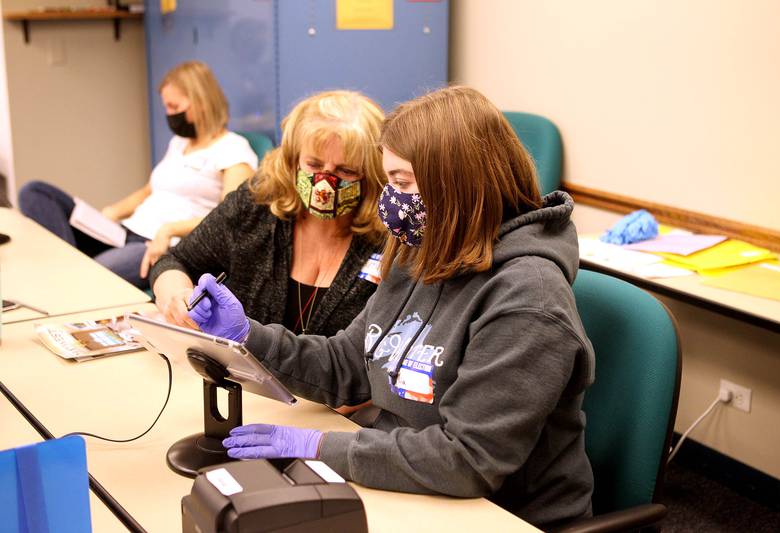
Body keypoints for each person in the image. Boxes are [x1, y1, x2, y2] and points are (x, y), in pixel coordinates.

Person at [186, 86, 595, 530]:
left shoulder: (528, 300)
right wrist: (248, 336)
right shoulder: (423, 249)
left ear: (455, 184)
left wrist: (322, 448)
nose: (389, 201)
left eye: (401, 183)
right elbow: (349, 363)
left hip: (499, 515)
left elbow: (468, 460)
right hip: (406, 482)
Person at [150, 90, 387, 343]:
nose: (324, 184)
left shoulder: (389, 240)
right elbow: (175, 261)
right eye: (314, 165)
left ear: (373, 174)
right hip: (239, 378)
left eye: (346, 170)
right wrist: (178, 296)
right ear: (292, 160)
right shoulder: (257, 205)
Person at [18, 61, 258, 289]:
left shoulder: (233, 148)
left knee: (93, 275)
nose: (168, 114)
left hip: (157, 245)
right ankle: (72, 269)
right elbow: (148, 191)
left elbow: (230, 218)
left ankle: (72, 273)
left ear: (201, 102)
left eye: (174, 107)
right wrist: (108, 214)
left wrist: (169, 230)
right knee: (35, 192)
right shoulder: (179, 143)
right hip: (124, 232)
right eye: (166, 107)